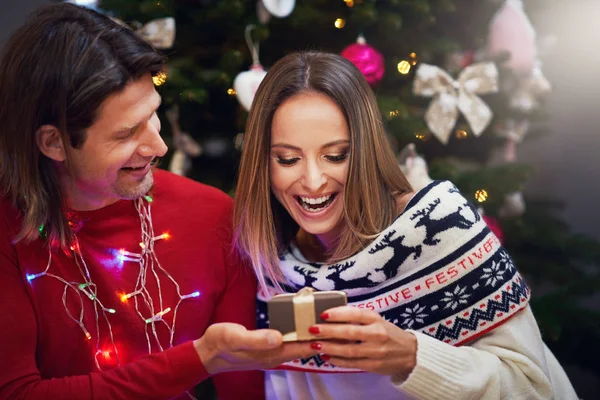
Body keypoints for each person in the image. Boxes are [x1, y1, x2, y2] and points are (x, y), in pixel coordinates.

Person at [0, 4, 318, 400]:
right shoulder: (8, 232)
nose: (159, 145)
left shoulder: (214, 217)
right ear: (53, 142)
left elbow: (245, 389)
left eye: (154, 115)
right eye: (127, 133)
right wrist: (201, 357)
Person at [233, 51, 578, 400]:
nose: (312, 180)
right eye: (288, 159)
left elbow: (532, 389)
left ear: (366, 151)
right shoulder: (277, 269)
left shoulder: (443, 225)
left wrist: (413, 357)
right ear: (264, 163)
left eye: (336, 155)